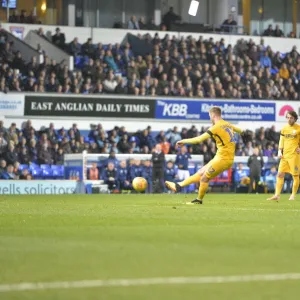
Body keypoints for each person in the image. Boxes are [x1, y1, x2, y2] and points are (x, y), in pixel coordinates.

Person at [165, 106, 246, 204]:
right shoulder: (228, 124)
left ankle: (198, 200)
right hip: (221, 157)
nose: (210, 118)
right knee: (201, 172)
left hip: (223, 159)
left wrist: (184, 141)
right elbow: (241, 131)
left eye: (210, 116)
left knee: (204, 178)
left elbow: (199, 139)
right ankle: (178, 185)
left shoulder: (215, 127)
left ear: (213, 115)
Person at [268, 111, 300, 201]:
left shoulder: (298, 128)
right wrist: (279, 151)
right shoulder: (284, 128)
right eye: (288, 117)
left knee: (295, 176)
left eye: (291, 118)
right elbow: (281, 140)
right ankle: (277, 195)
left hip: (294, 156)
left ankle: (293, 195)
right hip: (284, 156)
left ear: (295, 118)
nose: (289, 119)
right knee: (280, 174)